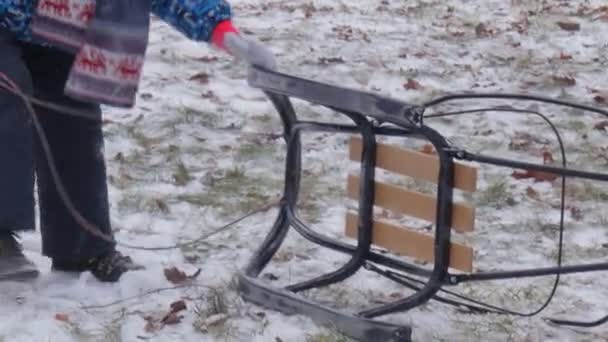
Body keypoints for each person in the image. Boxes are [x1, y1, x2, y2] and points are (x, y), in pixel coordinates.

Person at [0, 0, 276, 282]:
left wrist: (221, 30)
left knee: (75, 119)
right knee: (6, 101)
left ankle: (82, 248)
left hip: (58, 29)